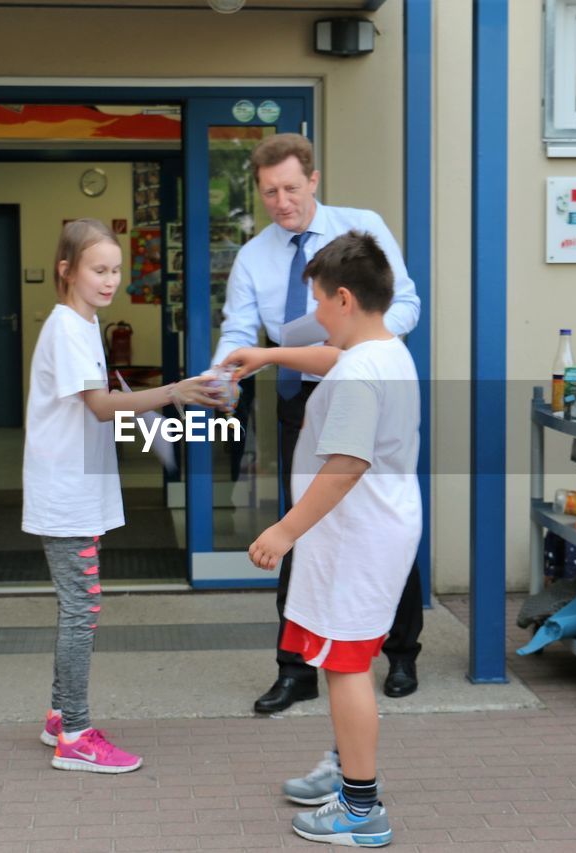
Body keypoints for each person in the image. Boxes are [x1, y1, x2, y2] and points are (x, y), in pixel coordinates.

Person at [212, 132, 424, 714]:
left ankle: (401, 653)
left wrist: (364, 342)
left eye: (289, 188)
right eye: (268, 192)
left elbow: (403, 302)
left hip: (362, 380)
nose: (280, 201)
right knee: (304, 521)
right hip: (299, 397)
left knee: (375, 521)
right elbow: (238, 330)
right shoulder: (254, 255)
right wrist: (222, 374)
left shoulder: (361, 229)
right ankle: (296, 668)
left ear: (313, 180)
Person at [230, 231, 419, 847]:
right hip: (373, 529)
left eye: (316, 301)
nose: (312, 315)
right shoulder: (382, 349)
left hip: (357, 536)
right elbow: (332, 361)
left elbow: (345, 464)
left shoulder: (365, 371)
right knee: (348, 660)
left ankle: (360, 809)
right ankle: (346, 768)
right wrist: (269, 358)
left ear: (342, 298)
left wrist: (284, 531)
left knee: (344, 666)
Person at [26, 219, 220, 773]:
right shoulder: (67, 327)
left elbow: (100, 402)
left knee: (78, 606)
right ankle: (76, 735)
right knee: (81, 609)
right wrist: (173, 393)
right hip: (65, 494)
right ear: (67, 271)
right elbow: (100, 405)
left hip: (74, 488)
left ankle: (63, 719)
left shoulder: (84, 323)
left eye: (116, 270)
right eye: (99, 269)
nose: (111, 280)